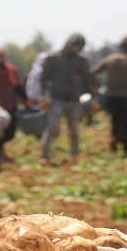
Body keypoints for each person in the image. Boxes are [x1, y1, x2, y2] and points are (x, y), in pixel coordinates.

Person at [38, 33, 92, 165]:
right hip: (57, 98)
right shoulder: (53, 58)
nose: (76, 49)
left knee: (74, 129)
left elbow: (86, 80)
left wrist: (92, 97)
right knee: (52, 127)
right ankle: (44, 154)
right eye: (75, 45)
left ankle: (75, 155)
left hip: (74, 99)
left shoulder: (81, 61)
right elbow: (44, 78)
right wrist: (43, 95)